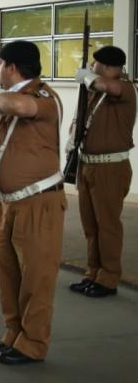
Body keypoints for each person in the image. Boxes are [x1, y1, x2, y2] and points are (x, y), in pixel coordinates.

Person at [0, 40, 65, 365]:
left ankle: (33, 343)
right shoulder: (6, 100)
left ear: (11, 66)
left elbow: (21, 108)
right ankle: (13, 334)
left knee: (36, 278)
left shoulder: (42, 97)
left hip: (38, 202)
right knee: (8, 273)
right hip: (6, 202)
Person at [69, 45, 136, 298]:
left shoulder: (125, 88)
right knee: (91, 225)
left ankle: (108, 279)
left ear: (109, 68)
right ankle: (93, 273)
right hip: (88, 163)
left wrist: (88, 78)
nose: (91, 68)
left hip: (110, 166)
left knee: (107, 225)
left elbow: (111, 87)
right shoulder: (95, 92)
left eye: (95, 65)